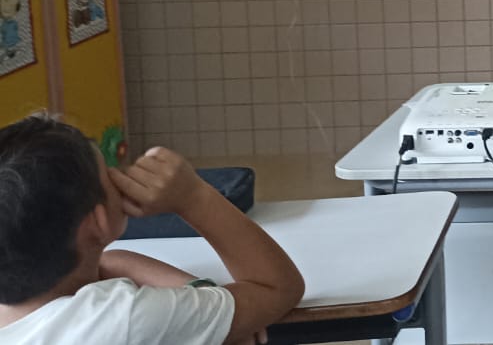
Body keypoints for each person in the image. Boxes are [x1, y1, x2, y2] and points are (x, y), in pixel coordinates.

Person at [0, 116, 304, 345]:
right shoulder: (124, 319)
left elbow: (109, 262)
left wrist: (204, 300)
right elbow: (276, 288)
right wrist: (193, 197)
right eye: (109, 172)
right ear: (98, 221)